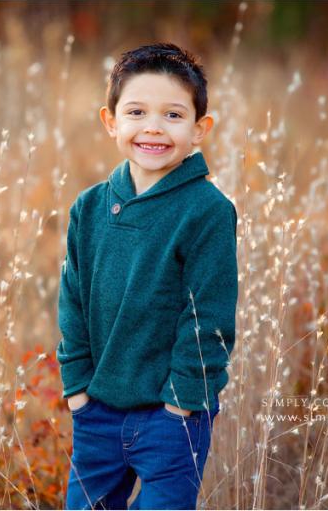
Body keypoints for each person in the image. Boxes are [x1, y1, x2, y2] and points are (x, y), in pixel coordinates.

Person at [56, 42, 238, 510]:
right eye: (136, 111)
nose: (153, 127)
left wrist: (181, 404)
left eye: (173, 116)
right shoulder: (90, 207)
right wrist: (77, 390)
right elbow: (72, 301)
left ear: (200, 130)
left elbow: (208, 319)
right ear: (111, 121)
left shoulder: (207, 211)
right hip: (97, 411)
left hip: (171, 418)